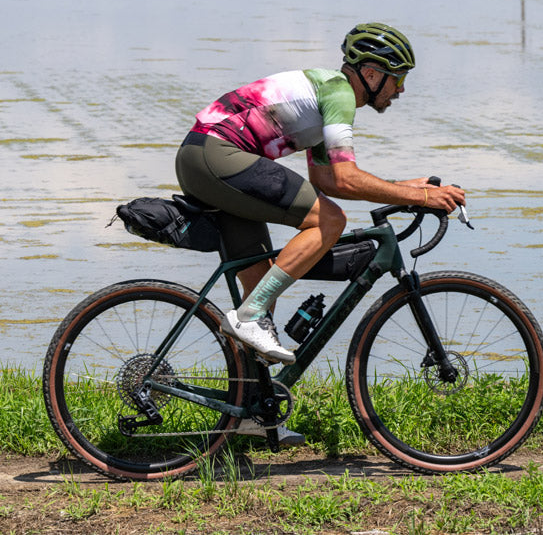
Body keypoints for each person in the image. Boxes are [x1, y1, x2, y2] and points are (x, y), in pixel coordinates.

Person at [174, 23, 465, 446]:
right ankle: (247, 316)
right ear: (370, 73)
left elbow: (327, 178)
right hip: (216, 156)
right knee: (330, 222)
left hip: (206, 158)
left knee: (263, 284)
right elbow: (344, 184)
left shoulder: (325, 93)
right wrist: (417, 195)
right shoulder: (340, 93)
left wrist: (406, 188)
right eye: (397, 78)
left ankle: (253, 411)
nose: (400, 90)